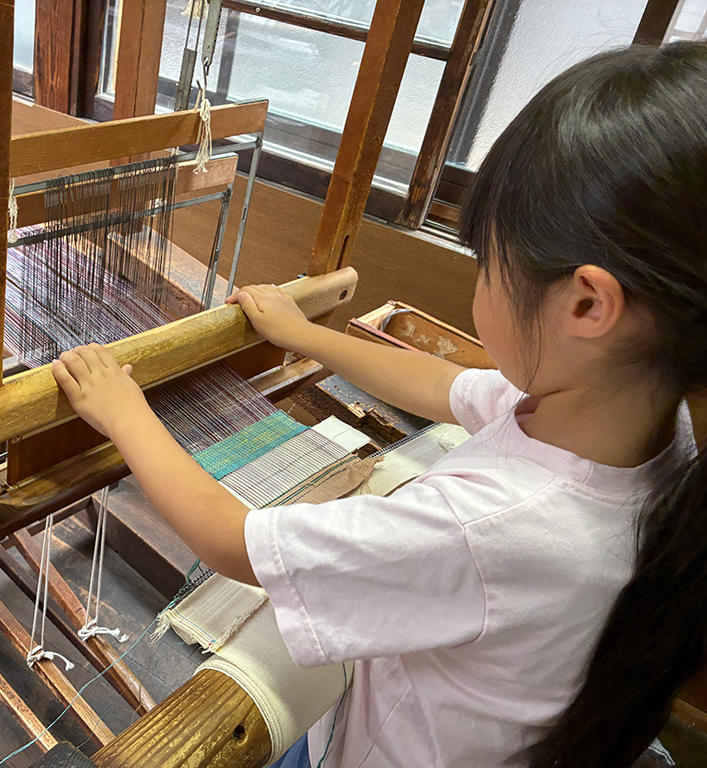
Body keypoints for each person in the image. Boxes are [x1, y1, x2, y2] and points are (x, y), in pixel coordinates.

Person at [51, 41, 707, 767]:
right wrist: (302, 334)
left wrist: (123, 411)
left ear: (587, 303)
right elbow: (437, 386)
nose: (481, 282)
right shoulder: (647, 426)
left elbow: (233, 542)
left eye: (489, 264)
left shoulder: (493, 530)